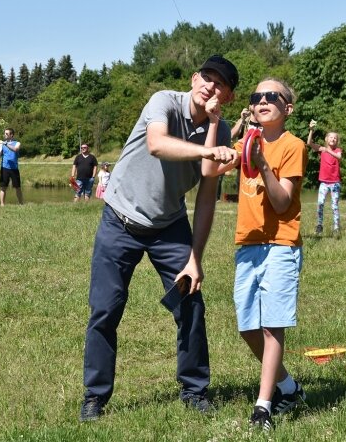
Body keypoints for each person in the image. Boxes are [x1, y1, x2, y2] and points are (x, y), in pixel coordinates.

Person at [80, 54, 240, 422]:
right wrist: (207, 149)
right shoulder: (164, 101)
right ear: (193, 78)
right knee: (105, 309)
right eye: (206, 78)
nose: (209, 87)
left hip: (169, 226)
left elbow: (205, 193)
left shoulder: (222, 129)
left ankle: (194, 390)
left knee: (191, 303)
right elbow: (157, 143)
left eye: (220, 85)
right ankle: (95, 396)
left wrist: (194, 258)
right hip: (120, 219)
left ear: (228, 97)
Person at [202, 77, 308, 431]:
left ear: (287, 109)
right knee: (247, 327)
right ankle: (288, 387)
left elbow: (282, 203)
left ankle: (264, 406)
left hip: (280, 243)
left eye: (271, 96)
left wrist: (262, 164)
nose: (262, 100)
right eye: (256, 96)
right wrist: (216, 125)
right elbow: (208, 171)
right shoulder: (245, 141)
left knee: (270, 327)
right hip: (247, 244)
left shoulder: (293, 146)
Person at [307, 120, 342, 236]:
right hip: (324, 183)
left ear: (337, 141)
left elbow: (338, 157)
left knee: (334, 205)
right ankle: (319, 225)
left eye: (335, 138)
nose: (333, 139)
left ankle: (336, 226)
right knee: (320, 203)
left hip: (335, 183)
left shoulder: (338, 150)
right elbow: (309, 143)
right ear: (326, 139)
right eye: (330, 137)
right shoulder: (322, 149)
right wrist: (311, 130)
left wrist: (328, 151)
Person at [0, 128, 23, 206]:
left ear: (11, 135)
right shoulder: (1, 144)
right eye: (4, 133)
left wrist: (5, 144)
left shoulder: (17, 143)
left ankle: (21, 204)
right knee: (3, 187)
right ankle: (2, 205)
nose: (5, 135)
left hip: (14, 169)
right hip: (4, 168)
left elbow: (15, 149)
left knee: (18, 187)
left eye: (7, 133)